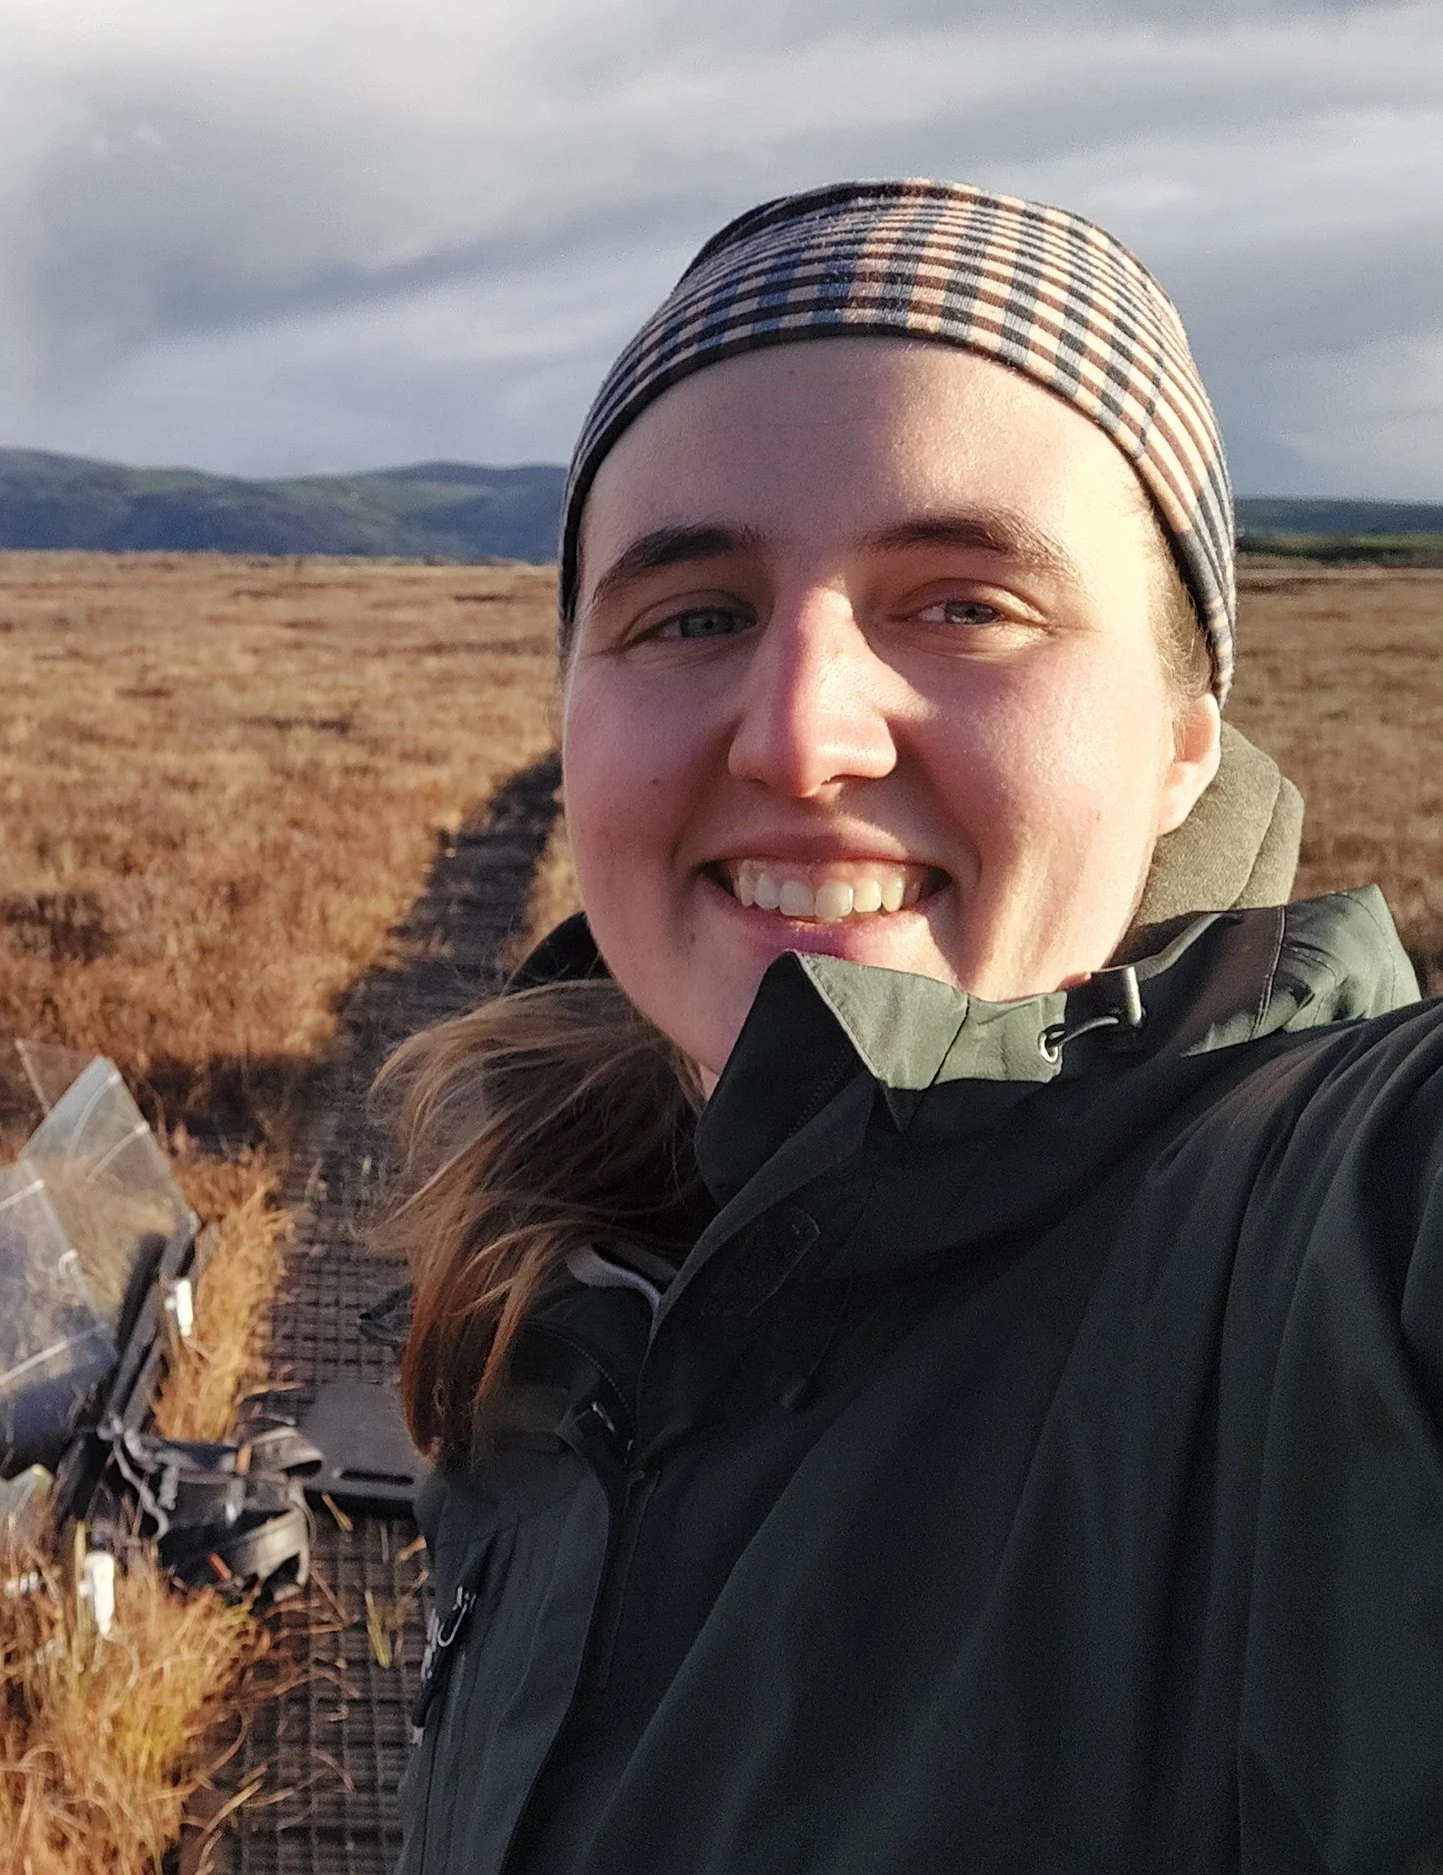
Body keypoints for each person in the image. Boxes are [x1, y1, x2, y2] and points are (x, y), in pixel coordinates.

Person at [387, 179, 1443, 1874]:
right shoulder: (556, 1269)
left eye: (964, 603)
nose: (801, 735)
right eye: (693, 613)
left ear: (1185, 743)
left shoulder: (1308, 1258)